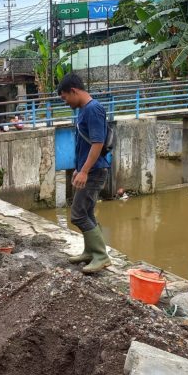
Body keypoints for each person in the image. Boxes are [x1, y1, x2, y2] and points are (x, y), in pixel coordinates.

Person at [57, 73, 111, 274]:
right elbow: (84, 144)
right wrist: (78, 170)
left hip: (95, 171)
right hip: (88, 170)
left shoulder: (93, 109)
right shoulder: (83, 111)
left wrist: (85, 171)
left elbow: (98, 143)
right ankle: (90, 252)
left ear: (74, 91)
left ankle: (101, 256)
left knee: (78, 214)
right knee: (86, 212)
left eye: (65, 98)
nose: (65, 102)